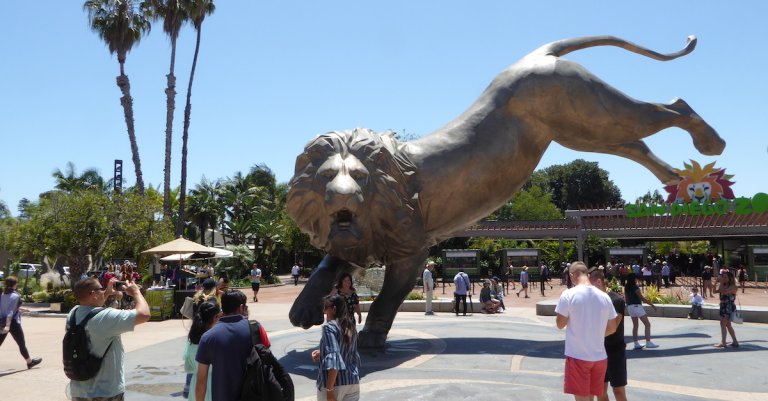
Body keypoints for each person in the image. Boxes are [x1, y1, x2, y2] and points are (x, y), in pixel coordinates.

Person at [67, 277, 151, 400]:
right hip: (106, 392)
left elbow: (92, 309)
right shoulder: (106, 317)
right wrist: (136, 292)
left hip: (79, 392)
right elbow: (144, 314)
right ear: (93, 294)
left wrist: (106, 293)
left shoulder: (73, 314)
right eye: (101, 289)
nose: (103, 291)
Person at [555, 262, 618, 401]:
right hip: (600, 357)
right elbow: (612, 327)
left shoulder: (569, 294)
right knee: (591, 397)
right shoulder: (604, 296)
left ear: (572, 275)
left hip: (578, 356)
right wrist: (595, 334)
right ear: (587, 275)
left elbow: (560, 324)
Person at [195, 290, 253, 401]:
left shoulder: (208, 337)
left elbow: (201, 380)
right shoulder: (256, 329)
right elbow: (267, 362)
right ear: (241, 308)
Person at [311, 294, 361, 401]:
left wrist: (329, 390)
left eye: (325, 307)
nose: (323, 311)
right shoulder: (350, 326)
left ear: (334, 309)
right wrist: (323, 352)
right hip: (352, 381)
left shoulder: (329, 327)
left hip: (336, 385)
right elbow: (348, 352)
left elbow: (334, 359)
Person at [589, 269, 627, 401]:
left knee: (618, 391)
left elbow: (613, 327)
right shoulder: (592, 302)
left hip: (615, 351)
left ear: (598, 282)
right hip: (598, 351)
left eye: (590, 285)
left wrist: (590, 337)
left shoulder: (616, 300)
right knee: (599, 391)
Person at [0, 276, 42, 370]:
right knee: (21, 344)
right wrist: (8, 326)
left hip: (2, 322)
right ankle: (30, 362)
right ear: (14, 284)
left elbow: (6, 308)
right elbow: (10, 312)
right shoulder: (15, 296)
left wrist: (22, 309)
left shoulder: (2, 295)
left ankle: (30, 362)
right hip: (12, 323)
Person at [183, 301, 220, 400]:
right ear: (215, 317)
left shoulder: (192, 340)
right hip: (214, 386)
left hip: (195, 386)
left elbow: (188, 368)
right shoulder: (216, 340)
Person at [623, 273, 658, 350]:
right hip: (637, 306)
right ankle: (648, 342)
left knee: (635, 325)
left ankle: (636, 343)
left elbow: (626, 298)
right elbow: (641, 298)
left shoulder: (626, 287)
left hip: (630, 307)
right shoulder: (635, 287)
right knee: (647, 324)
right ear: (634, 279)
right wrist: (652, 304)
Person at [713, 271, 739, 348]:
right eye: (723, 277)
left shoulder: (734, 286)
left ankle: (723, 342)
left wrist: (721, 282)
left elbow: (724, 292)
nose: (723, 278)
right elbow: (714, 291)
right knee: (728, 325)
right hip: (723, 306)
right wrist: (715, 283)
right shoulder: (723, 285)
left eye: (725, 277)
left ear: (730, 278)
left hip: (729, 307)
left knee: (722, 324)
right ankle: (735, 341)